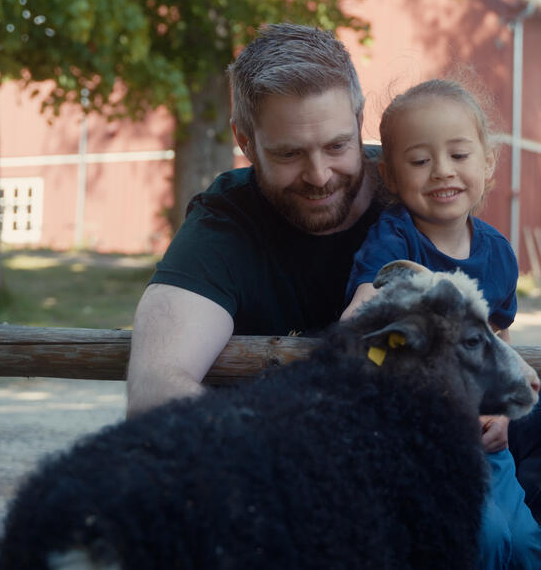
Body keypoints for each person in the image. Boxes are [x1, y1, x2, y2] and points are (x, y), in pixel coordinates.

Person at [126, 23, 383, 414]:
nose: (319, 175)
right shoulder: (225, 223)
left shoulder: (414, 190)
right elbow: (154, 388)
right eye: (289, 154)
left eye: (336, 145)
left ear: (359, 118)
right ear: (244, 141)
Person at [341, 78, 541, 569]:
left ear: (487, 161)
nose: (442, 172)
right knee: (482, 539)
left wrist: (501, 413)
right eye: (419, 161)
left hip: (485, 444)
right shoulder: (394, 243)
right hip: (418, 441)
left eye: (458, 155)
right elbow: (360, 319)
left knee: (525, 544)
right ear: (390, 174)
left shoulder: (497, 252)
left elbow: (498, 338)